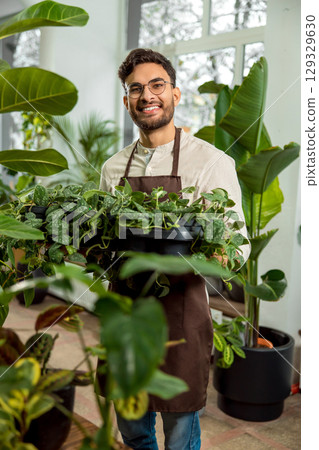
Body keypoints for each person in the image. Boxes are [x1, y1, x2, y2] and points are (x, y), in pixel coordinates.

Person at [99, 48, 249, 450]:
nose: (146, 95)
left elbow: (238, 244)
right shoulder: (113, 168)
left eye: (156, 85)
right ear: (128, 100)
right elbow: (103, 237)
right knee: (131, 426)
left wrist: (214, 258)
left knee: (180, 430)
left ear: (175, 94)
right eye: (135, 89)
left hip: (182, 313)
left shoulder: (211, 163)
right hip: (127, 311)